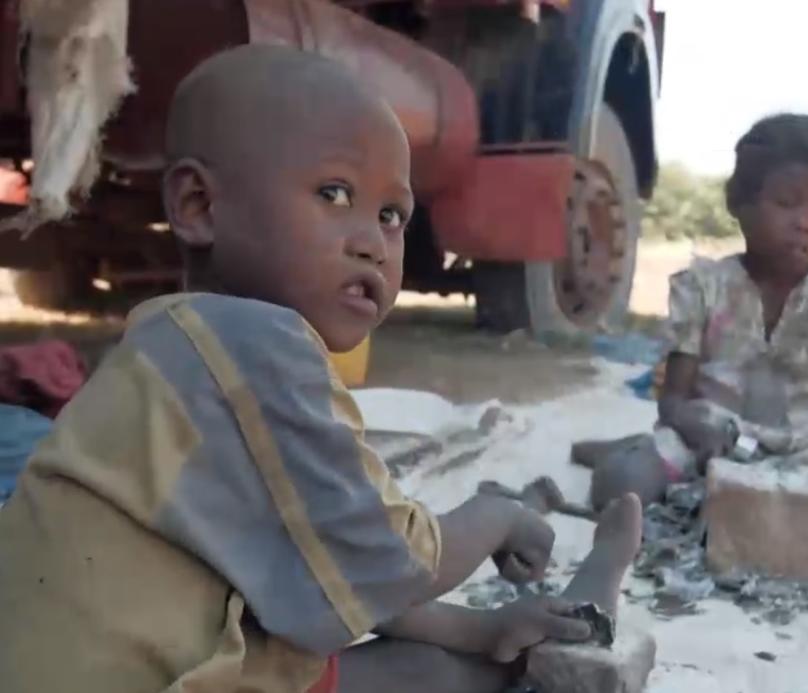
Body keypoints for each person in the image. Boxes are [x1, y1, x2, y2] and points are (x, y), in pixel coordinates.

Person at [0, 46, 643, 693]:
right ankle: (589, 599)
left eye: (392, 215)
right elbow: (392, 560)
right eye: (334, 193)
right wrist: (494, 515)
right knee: (434, 675)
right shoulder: (259, 345)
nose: (371, 240)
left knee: (431, 659)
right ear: (199, 205)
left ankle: (519, 631)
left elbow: (317, 563)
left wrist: (476, 626)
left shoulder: (174, 339)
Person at [578, 113, 808, 522]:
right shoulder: (704, 287)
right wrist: (689, 424)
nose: (805, 223)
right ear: (738, 203)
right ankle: (630, 450)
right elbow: (672, 401)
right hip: (711, 442)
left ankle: (757, 495)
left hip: (807, 452)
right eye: (787, 203)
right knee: (621, 488)